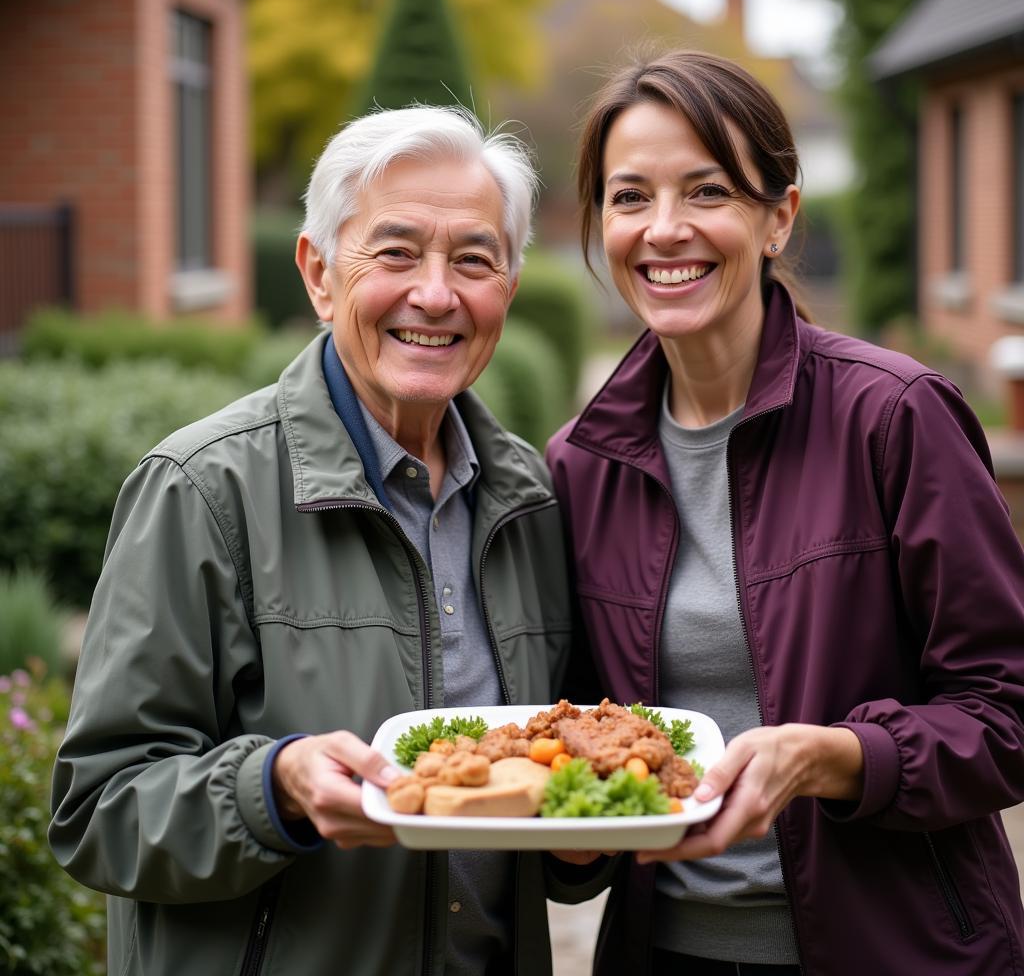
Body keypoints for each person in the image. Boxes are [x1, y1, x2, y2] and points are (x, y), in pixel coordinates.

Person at [49, 105, 575, 976]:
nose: (436, 294)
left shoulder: (527, 500)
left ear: (507, 292)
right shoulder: (202, 489)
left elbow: (538, 809)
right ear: (320, 273)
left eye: (473, 260)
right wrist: (274, 790)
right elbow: (98, 810)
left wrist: (583, 838)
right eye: (396, 252)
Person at [546, 50, 1024, 975]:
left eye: (707, 191)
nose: (665, 230)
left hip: (903, 949)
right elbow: (589, 751)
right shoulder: (579, 465)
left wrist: (837, 757)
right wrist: (562, 832)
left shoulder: (894, 416)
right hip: (664, 953)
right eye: (630, 197)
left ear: (779, 217)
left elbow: (1007, 717)